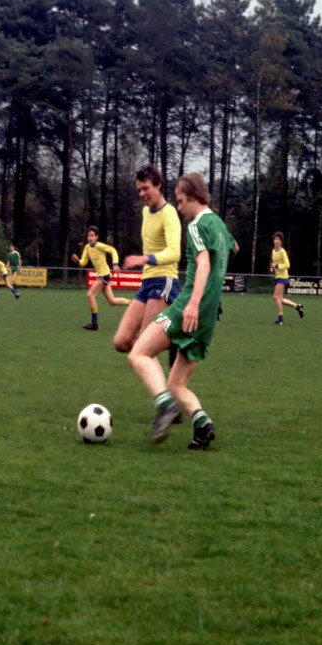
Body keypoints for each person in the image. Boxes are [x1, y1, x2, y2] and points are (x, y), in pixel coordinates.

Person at [128, 173, 233, 449]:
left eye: (181, 200)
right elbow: (233, 248)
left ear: (193, 196)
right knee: (176, 385)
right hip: (209, 317)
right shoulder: (220, 226)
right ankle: (202, 425)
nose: (179, 207)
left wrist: (194, 303)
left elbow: (204, 264)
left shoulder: (197, 225)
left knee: (138, 353)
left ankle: (165, 407)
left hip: (188, 307)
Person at [113, 165, 182, 358]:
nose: (142, 194)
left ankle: (167, 339)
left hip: (165, 281)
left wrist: (145, 259)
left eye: (146, 188)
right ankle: (169, 337)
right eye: (139, 190)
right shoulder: (145, 212)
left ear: (158, 185)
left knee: (143, 347)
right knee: (121, 342)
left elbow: (175, 253)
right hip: (147, 282)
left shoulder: (169, 213)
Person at [71, 226, 130, 330]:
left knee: (90, 295)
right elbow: (83, 263)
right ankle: (132, 303)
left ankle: (94, 324)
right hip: (102, 275)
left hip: (104, 275)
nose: (90, 238)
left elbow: (112, 250)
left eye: (92, 235)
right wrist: (77, 261)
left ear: (96, 237)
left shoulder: (99, 246)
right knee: (112, 301)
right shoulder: (87, 247)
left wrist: (115, 264)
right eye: (89, 236)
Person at [270, 231, 304, 325]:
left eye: (278, 239)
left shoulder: (282, 251)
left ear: (281, 242)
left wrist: (276, 266)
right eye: (275, 239)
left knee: (275, 297)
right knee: (280, 300)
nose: (276, 241)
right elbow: (274, 263)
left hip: (283, 277)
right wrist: (272, 268)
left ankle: (280, 319)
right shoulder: (273, 251)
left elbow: (287, 265)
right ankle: (297, 306)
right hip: (277, 276)